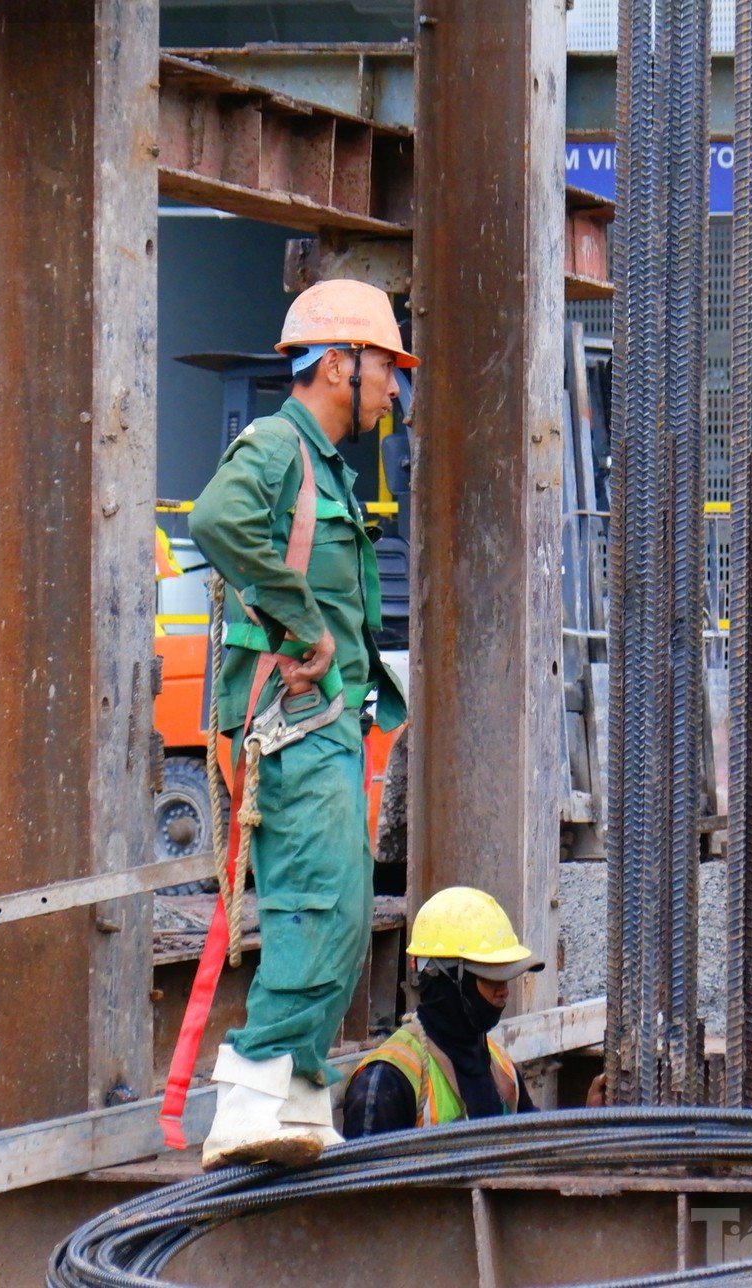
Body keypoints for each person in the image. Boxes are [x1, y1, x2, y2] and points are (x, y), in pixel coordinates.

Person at [190, 279, 417, 1169]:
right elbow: (218, 519)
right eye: (385, 371)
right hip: (291, 728)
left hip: (327, 728)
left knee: (346, 913)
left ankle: (299, 1099)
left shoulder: (324, 466)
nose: (393, 392)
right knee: (317, 905)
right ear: (337, 365)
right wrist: (304, 620)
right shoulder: (280, 447)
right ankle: (250, 1096)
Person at [344, 887, 546, 1134]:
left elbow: (535, 1145)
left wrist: (590, 1115)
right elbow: (366, 1171)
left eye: (506, 978)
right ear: (445, 978)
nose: (503, 992)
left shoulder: (499, 1064)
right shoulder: (387, 1081)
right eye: (491, 978)